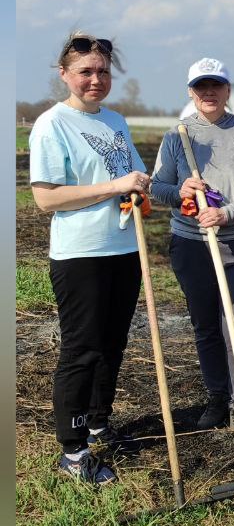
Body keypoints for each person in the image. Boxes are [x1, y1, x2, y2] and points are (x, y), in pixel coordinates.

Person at [28, 33, 150, 485]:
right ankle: (74, 449)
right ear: (65, 75)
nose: (95, 79)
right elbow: (46, 199)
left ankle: (99, 421)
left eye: (102, 71)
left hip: (124, 249)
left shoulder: (116, 121)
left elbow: (135, 178)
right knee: (83, 350)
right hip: (82, 254)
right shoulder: (52, 124)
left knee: (114, 343)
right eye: (85, 71)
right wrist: (115, 187)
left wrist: (175, 191)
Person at [150, 59, 234, 431]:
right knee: (205, 325)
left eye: (216, 85)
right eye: (201, 86)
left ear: (228, 90)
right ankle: (217, 398)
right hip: (192, 245)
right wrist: (180, 191)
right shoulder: (178, 136)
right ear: (190, 91)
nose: (208, 92)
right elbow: (157, 188)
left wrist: (228, 214)